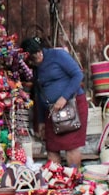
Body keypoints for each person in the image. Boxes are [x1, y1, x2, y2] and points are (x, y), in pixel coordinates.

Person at [21, 36, 87, 169]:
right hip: (51, 112)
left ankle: (74, 179)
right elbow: (38, 93)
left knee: (71, 147)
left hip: (71, 106)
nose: (37, 59)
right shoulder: (35, 68)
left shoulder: (58, 55)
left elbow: (78, 75)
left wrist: (64, 97)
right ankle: (56, 182)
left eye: (38, 55)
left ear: (40, 50)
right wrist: (40, 120)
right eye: (33, 60)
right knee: (52, 148)